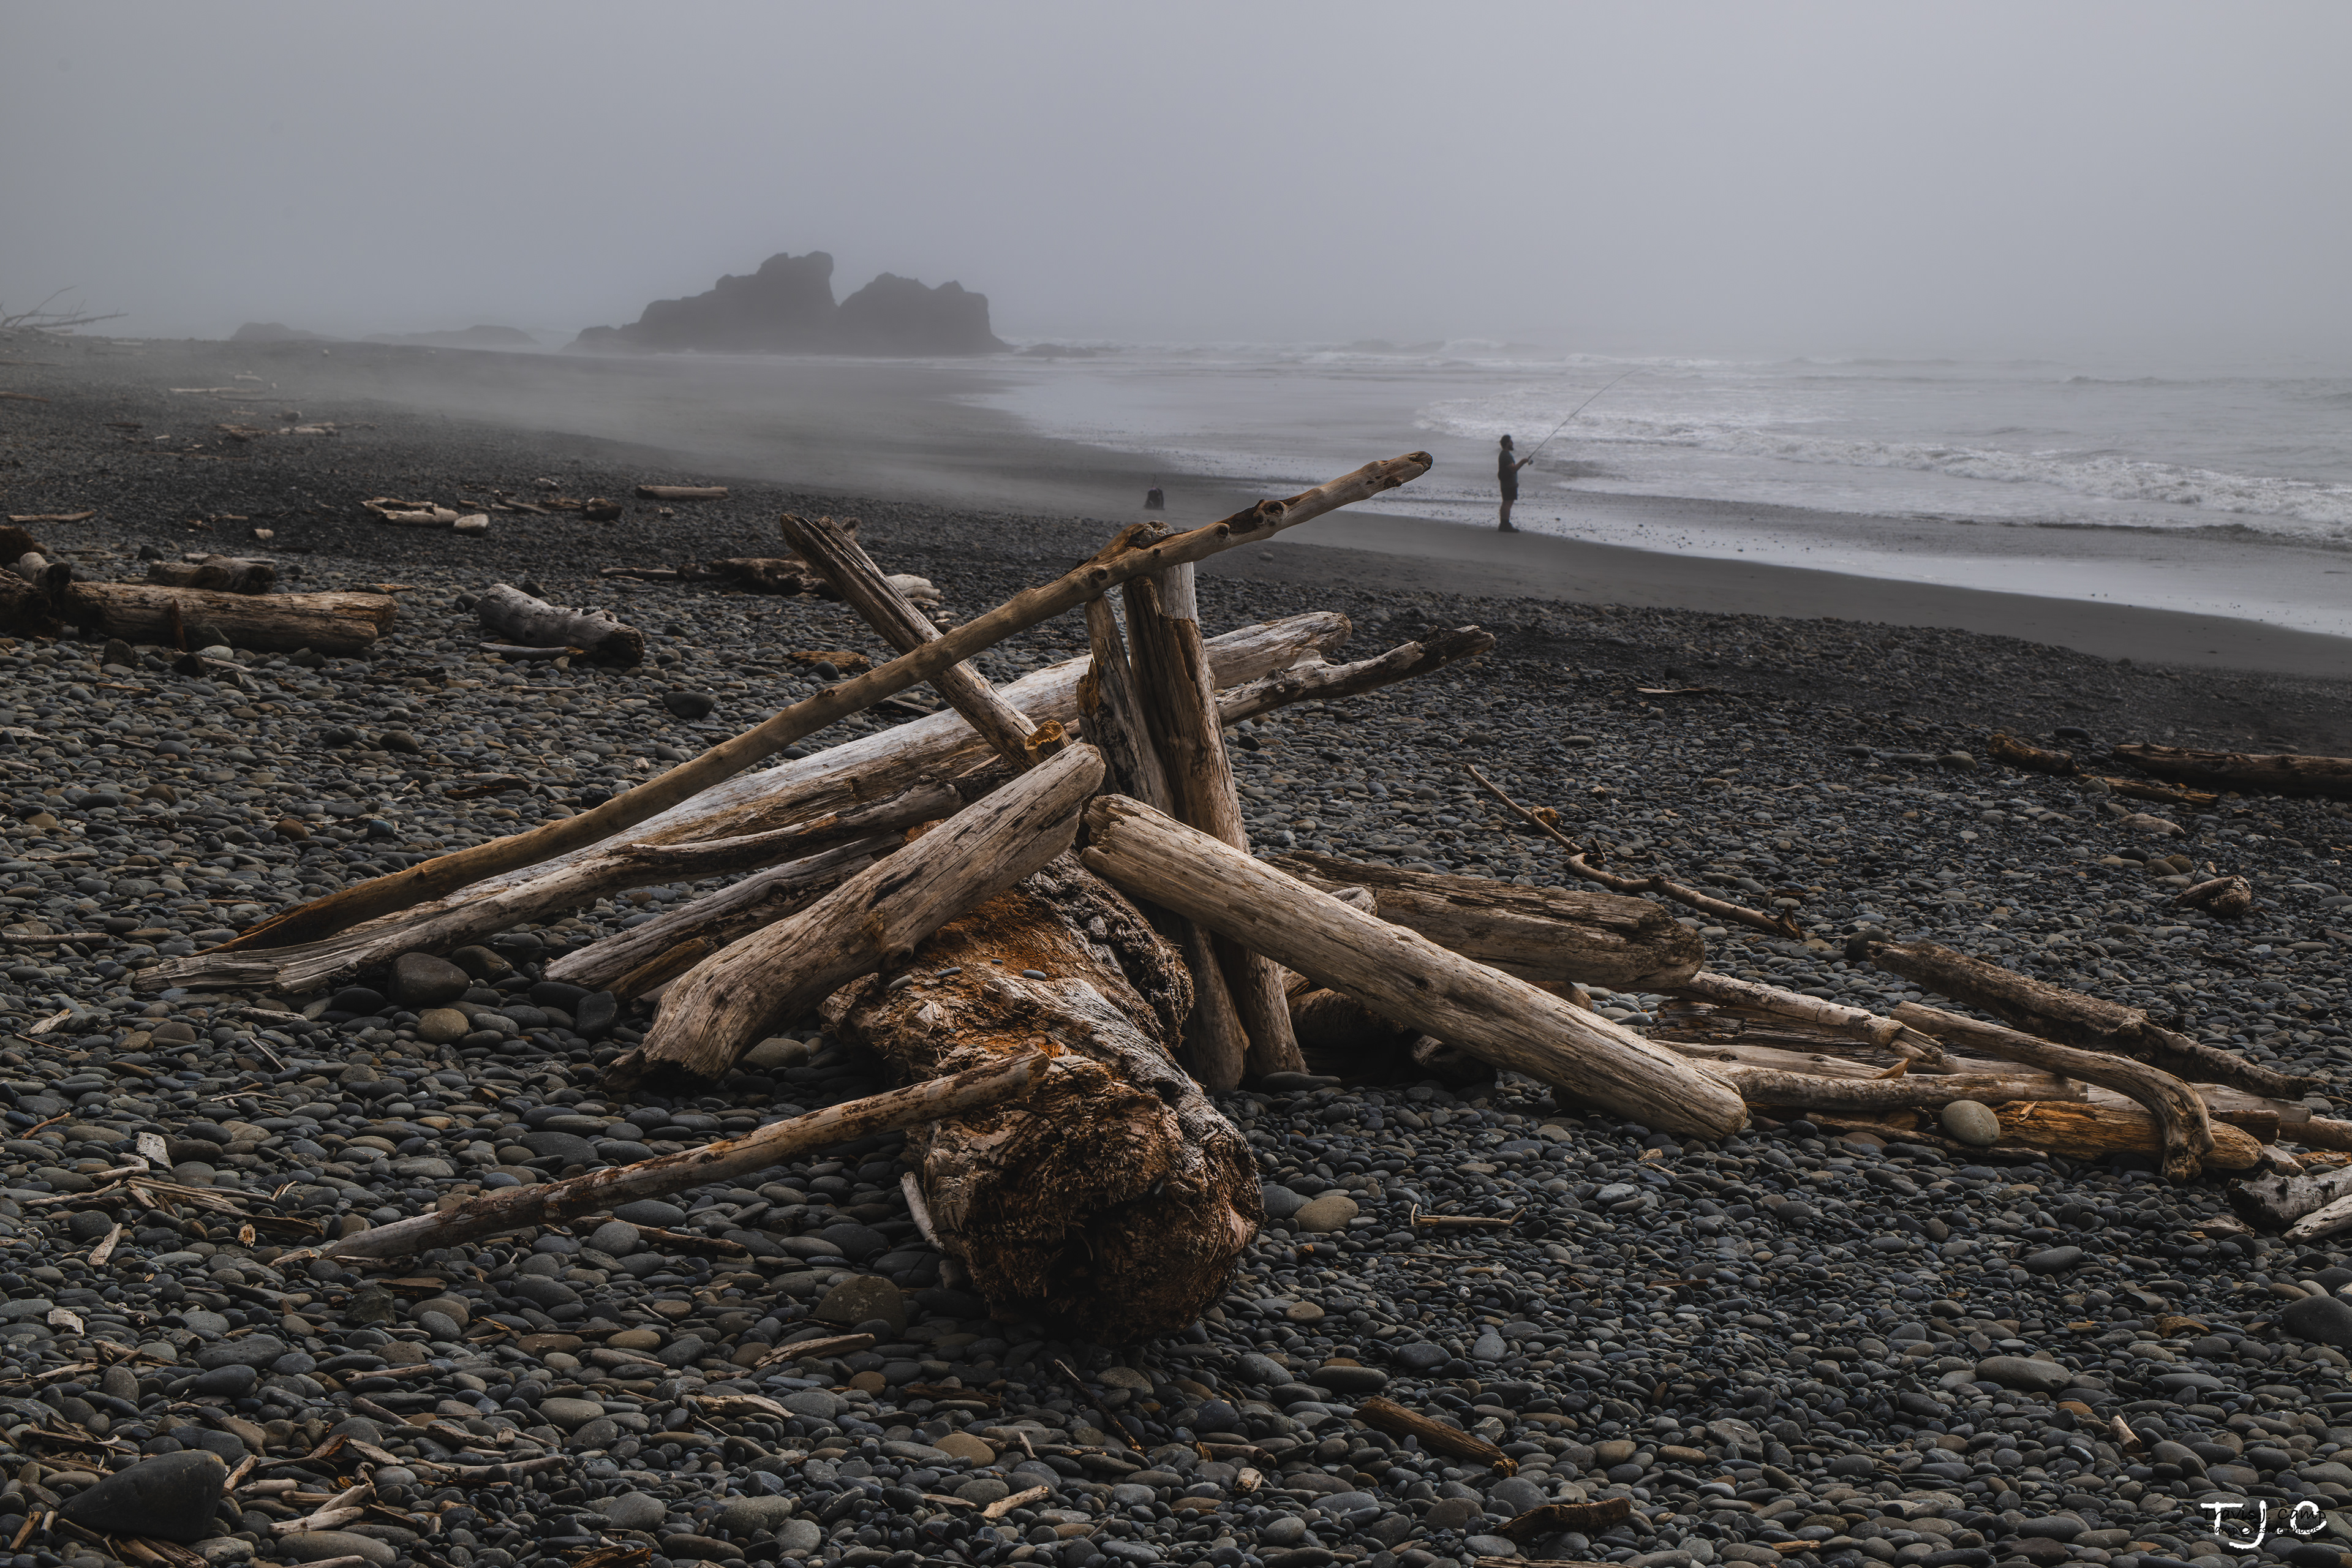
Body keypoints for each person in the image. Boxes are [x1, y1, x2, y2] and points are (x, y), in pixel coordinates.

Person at [1497, 434, 1534, 531]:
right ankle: (1505, 524)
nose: (1512, 443)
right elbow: (1513, 469)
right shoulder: (1506, 455)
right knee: (1507, 504)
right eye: (1510, 442)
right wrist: (1523, 461)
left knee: (1506, 503)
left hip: (1508, 483)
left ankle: (1503, 524)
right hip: (1508, 484)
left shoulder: (1504, 455)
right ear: (1507, 444)